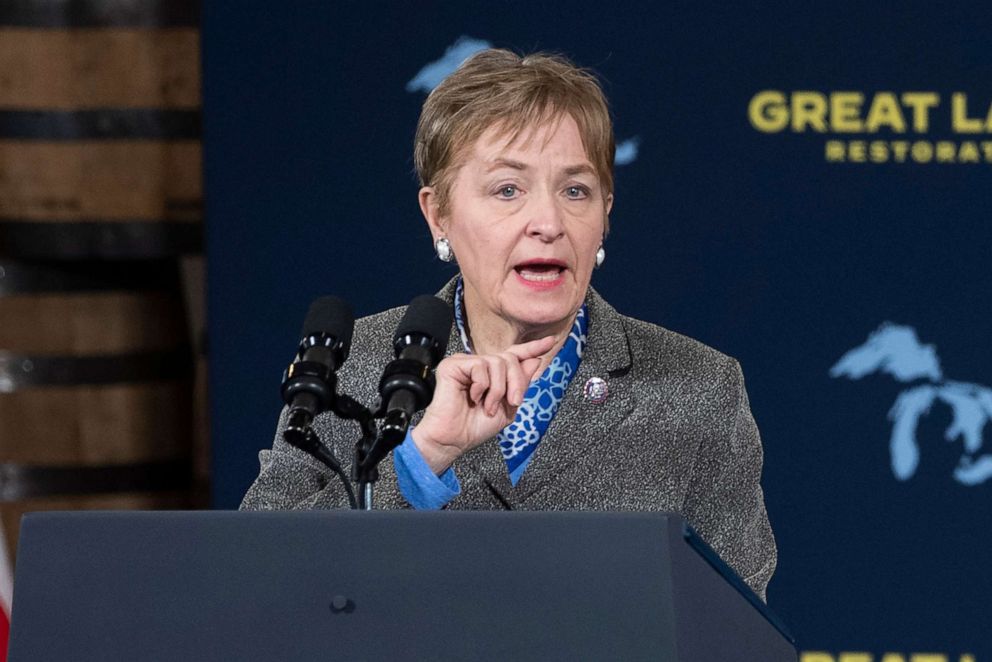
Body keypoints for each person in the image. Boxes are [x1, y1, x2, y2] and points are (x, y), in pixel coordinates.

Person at [241, 49, 777, 600]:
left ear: (605, 213)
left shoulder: (700, 389)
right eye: (507, 190)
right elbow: (257, 585)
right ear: (438, 215)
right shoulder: (354, 370)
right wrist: (420, 461)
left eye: (576, 190)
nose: (548, 223)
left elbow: (735, 633)